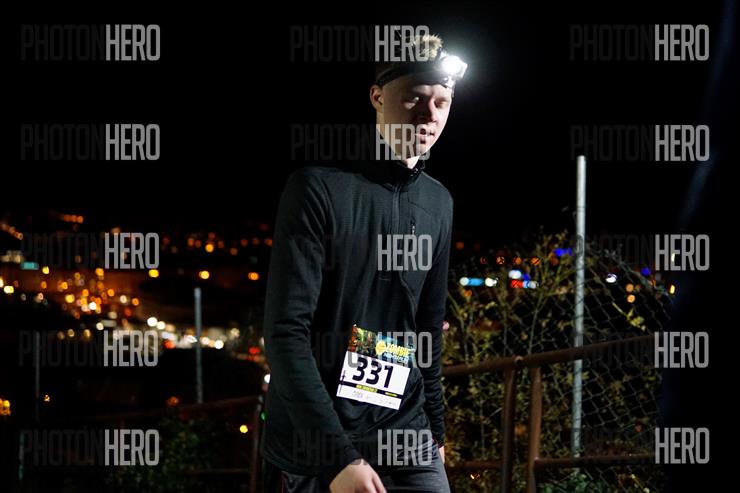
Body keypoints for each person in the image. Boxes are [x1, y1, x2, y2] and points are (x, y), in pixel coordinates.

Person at [262, 33, 466, 493]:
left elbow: (426, 326)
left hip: (404, 425)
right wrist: (337, 459)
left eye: (442, 102)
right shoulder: (317, 188)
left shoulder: (439, 203)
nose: (429, 114)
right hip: (320, 434)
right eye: (414, 97)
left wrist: (436, 429)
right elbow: (285, 331)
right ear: (377, 96)